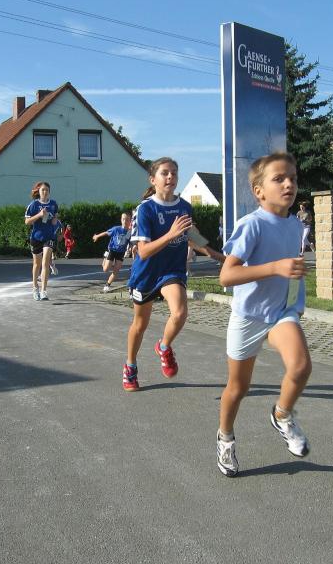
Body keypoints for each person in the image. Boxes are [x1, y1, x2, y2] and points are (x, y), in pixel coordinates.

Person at [215, 152, 312, 477]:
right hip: (249, 317)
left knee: (300, 366)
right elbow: (227, 276)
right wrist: (275, 268)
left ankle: (282, 415)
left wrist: (296, 287)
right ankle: (225, 438)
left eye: (292, 178)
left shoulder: (295, 224)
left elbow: (288, 266)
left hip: (281, 312)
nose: (288, 184)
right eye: (279, 179)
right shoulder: (252, 224)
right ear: (259, 191)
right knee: (237, 388)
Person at [123, 157, 198, 392]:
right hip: (146, 273)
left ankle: (164, 347)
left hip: (172, 271)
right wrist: (171, 234)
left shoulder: (185, 207)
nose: (170, 177)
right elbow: (144, 251)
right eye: (165, 173)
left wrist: (221, 257)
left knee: (180, 312)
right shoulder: (145, 209)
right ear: (153, 179)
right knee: (140, 325)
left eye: (174, 173)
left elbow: (193, 237)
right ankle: (130, 366)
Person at [24, 181, 59, 301]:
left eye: (47, 190)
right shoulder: (33, 205)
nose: (45, 192)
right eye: (43, 190)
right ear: (38, 191)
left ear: (49, 192)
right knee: (37, 264)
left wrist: (55, 219)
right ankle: (35, 288)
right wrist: (39, 215)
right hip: (36, 237)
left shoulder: (53, 204)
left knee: (45, 263)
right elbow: (27, 222)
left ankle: (44, 291)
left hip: (49, 237)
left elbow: (55, 217)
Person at [92, 212, 132, 293]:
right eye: (123, 219)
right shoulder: (116, 229)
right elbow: (106, 233)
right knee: (105, 269)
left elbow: (130, 242)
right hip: (112, 250)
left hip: (121, 252)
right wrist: (97, 236)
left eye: (127, 219)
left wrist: (129, 249)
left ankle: (107, 285)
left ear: (130, 221)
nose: (125, 221)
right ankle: (105, 257)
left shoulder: (129, 232)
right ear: (121, 220)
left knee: (116, 270)